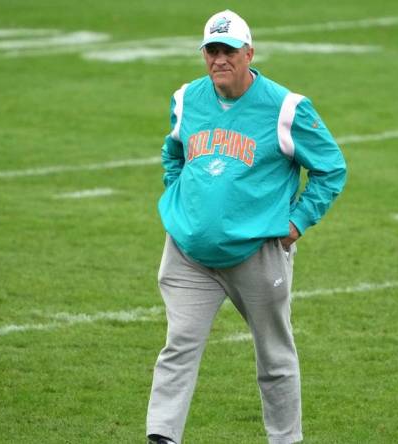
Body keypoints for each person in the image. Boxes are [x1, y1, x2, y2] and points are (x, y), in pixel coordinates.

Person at [146, 9, 346, 444]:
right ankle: (161, 437)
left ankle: (285, 439)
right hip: (188, 253)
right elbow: (173, 152)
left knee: (274, 357)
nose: (219, 60)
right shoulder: (186, 98)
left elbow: (331, 168)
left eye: (229, 51)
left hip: (257, 253)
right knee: (178, 346)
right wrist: (181, 199)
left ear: (249, 53)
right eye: (212, 51)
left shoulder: (286, 107)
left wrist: (297, 222)